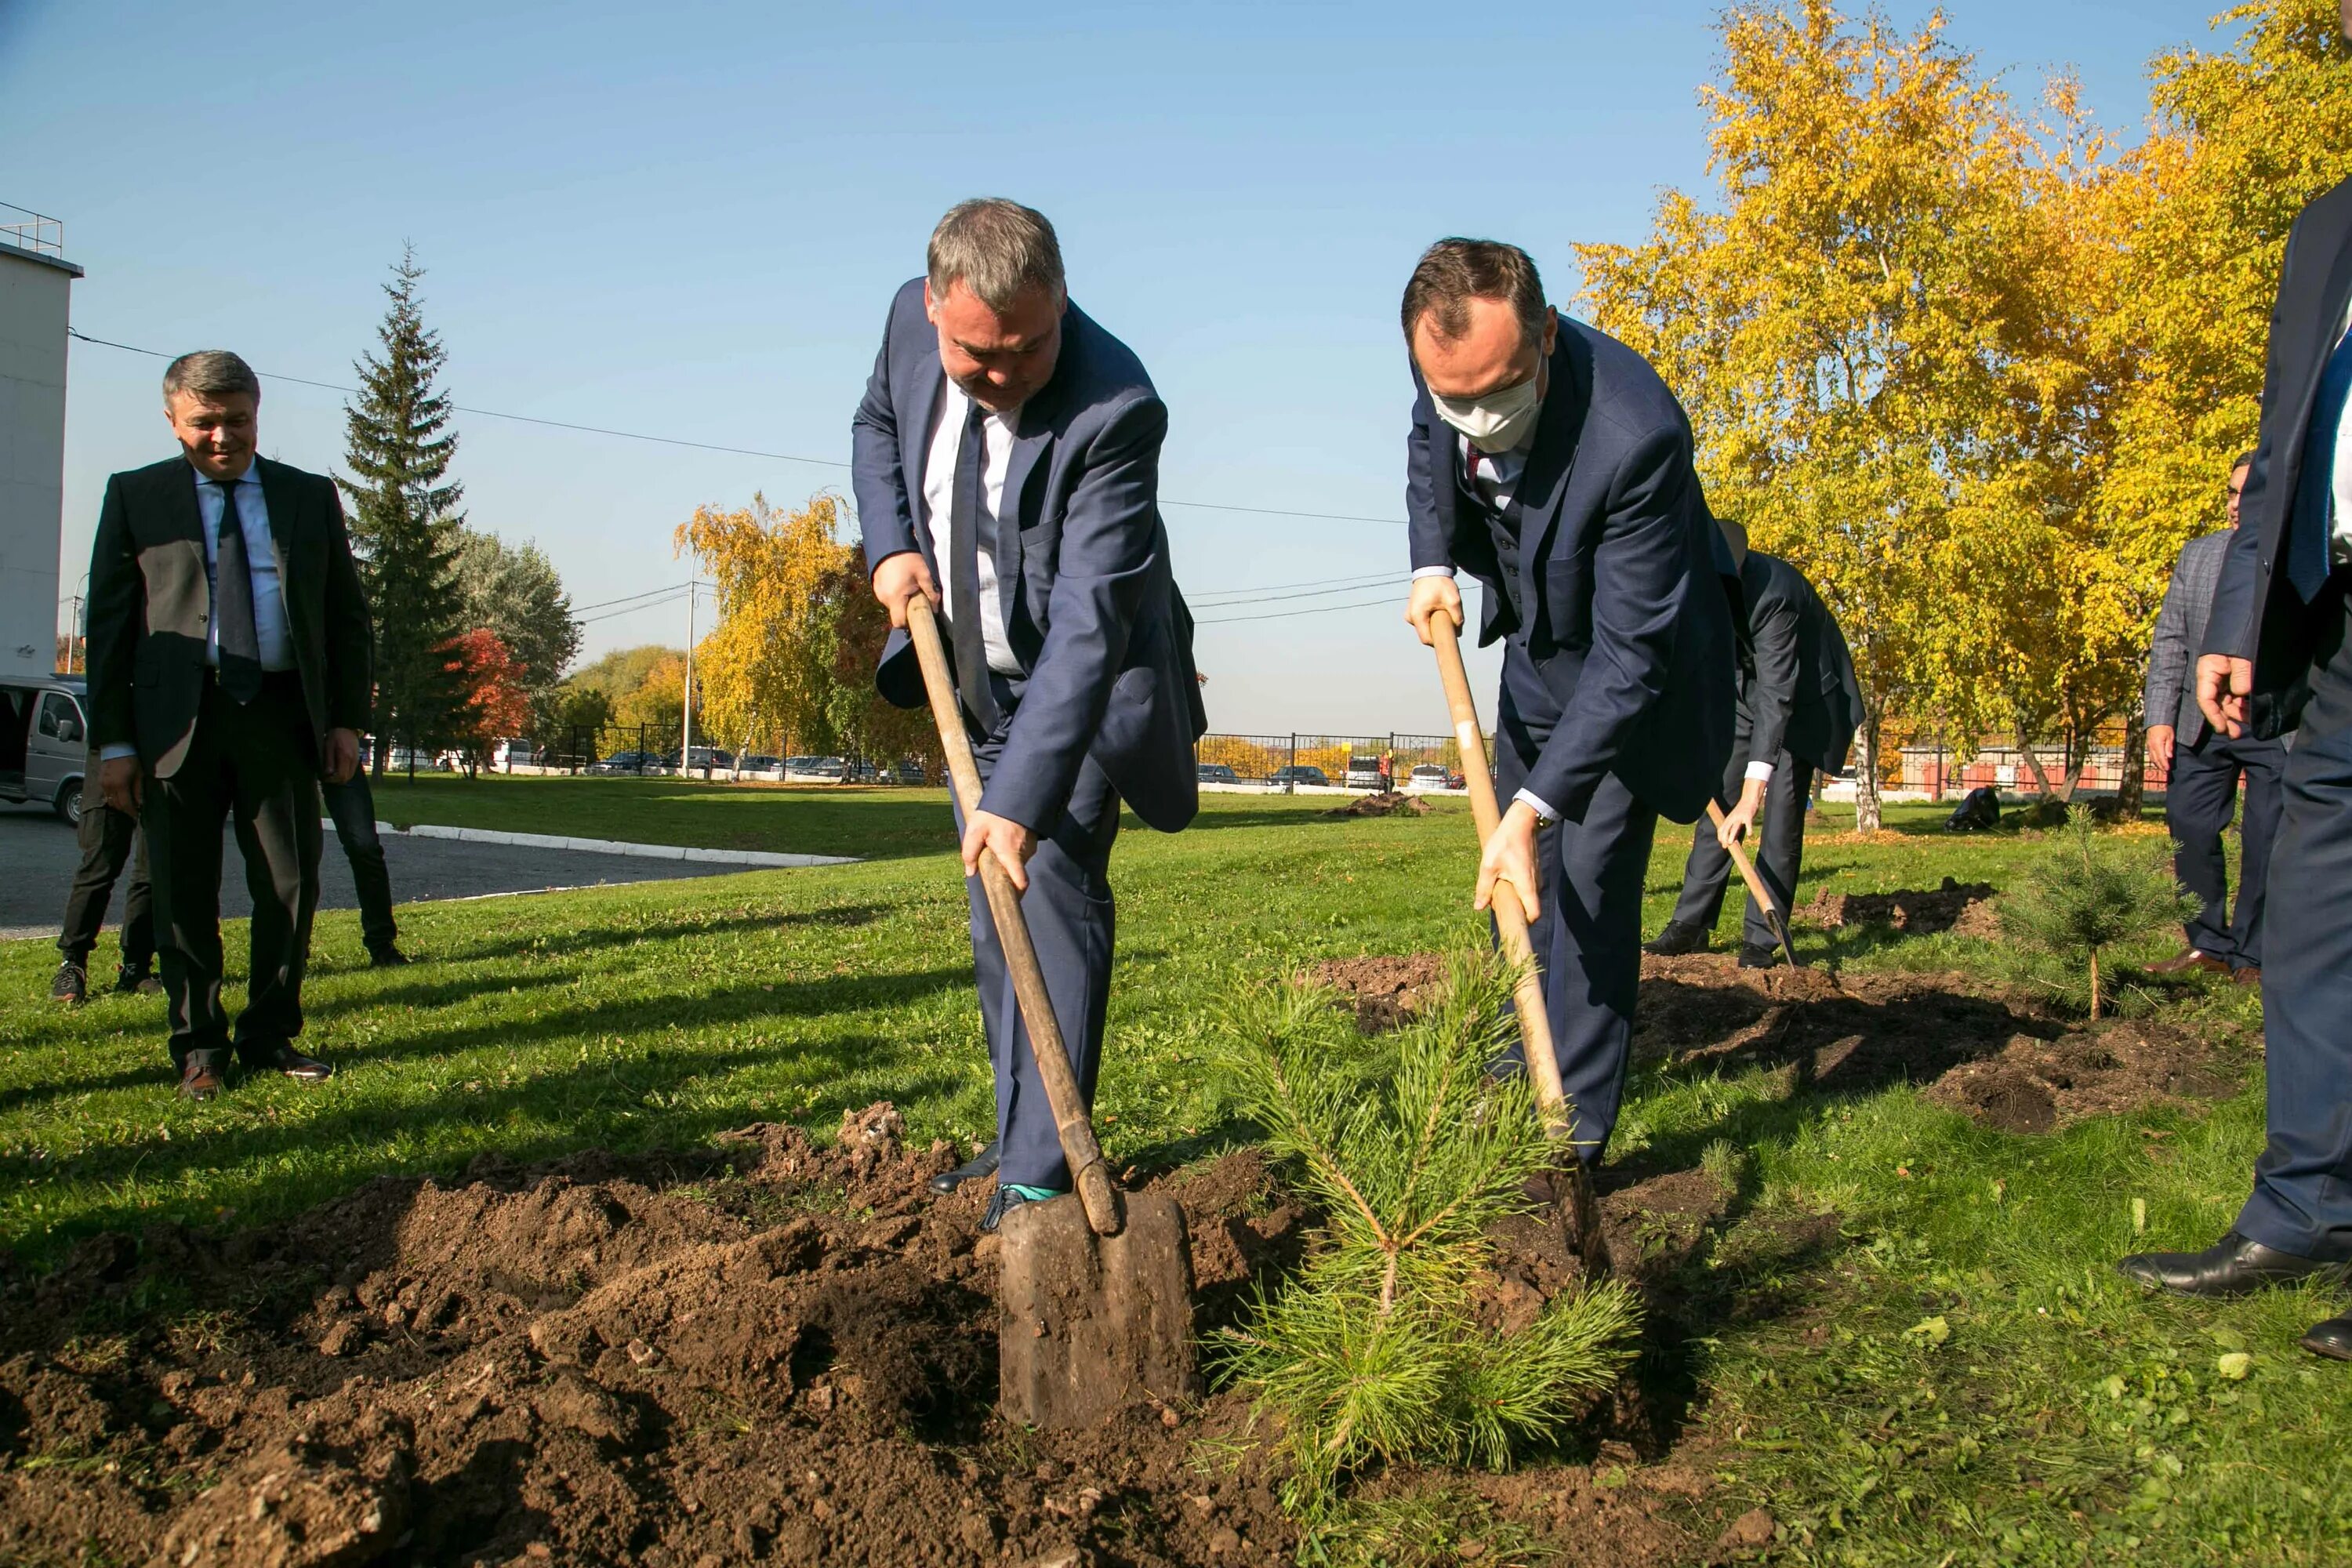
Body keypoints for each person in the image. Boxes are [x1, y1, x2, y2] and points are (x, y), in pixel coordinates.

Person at [851, 199, 1206, 1229]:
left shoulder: (1116, 408)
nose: (1005, 375)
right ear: (933, 307)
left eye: (1031, 347)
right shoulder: (905, 327)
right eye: (978, 354)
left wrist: (1018, 798)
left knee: (1044, 890)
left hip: (1080, 697)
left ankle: (1043, 1172)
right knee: (992, 915)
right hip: (973, 674)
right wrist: (890, 548)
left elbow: (1092, 625)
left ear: (1061, 307)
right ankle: (1021, 1144)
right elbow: (878, 424)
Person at [1400, 238, 1736, 1164]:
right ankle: (1522, 1074)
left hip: (1630, 679)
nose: (1477, 415)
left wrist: (1534, 805)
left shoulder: (1637, 436)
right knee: (1526, 884)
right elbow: (1430, 439)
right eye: (1453, 396)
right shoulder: (1451, 378)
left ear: (1546, 336)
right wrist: (1432, 560)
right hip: (1541, 658)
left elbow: (1631, 660)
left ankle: (1571, 1132)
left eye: (1499, 391)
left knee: (1585, 889)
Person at [2118, 93, 2352, 1362]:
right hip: (2332, 613)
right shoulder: (2327, 229)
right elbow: (2285, 439)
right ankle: (2308, 1204)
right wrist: (2244, 612)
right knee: (2313, 918)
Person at [82, 350, 374, 1102]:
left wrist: (345, 721)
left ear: (257, 411)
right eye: (204, 423)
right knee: (182, 890)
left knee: (290, 884)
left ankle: (269, 1033)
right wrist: (113, 744)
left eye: (236, 421)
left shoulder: (308, 497)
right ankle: (200, 1047)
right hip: (175, 722)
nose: (222, 438)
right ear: (173, 419)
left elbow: (345, 618)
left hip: (280, 715)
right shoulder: (135, 496)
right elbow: (110, 629)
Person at [1646, 521, 1861, 967]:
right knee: (1718, 802)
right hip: (1747, 693)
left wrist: (1751, 799)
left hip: (1803, 702)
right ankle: (1692, 925)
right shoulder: (1702, 592)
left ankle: (1761, 940)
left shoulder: (1772, 596)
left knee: (1780, 816)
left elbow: (1778, 697)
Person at [2141, 453, 2281, 987]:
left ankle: (2254, 954)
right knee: (2190, 824)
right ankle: (2208, 945)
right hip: (2200, 722)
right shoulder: (2198, 556)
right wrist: (2159, 718)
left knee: (2267, 835)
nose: (2236, 503)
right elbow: (2171, 639)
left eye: (2249, 493)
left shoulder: (2296, 560)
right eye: (2231, 492)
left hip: (2271, 723)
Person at [49, 758, 160, 1005]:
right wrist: (115, 750)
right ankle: (72, 963)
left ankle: (136, 967)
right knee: (99, 865)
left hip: (160, 762)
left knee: (152, 872)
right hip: (111, 758)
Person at [323, 768, 407, 966]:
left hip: (335, 744)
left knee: (365, 847)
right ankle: (293, 951)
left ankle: (382, 947)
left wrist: (351, 735)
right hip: (293, 747)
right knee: (298, 854)